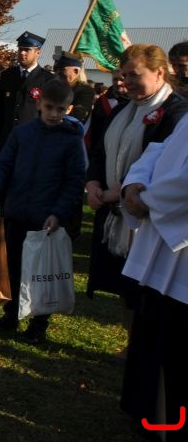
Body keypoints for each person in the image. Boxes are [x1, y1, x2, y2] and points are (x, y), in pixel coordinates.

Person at [85, 44, 186, 360]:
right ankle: (133, 343)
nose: (126, 82)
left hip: (146, 215)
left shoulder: (175, 111)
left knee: (143, 287)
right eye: (124, 75)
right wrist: (93, 183)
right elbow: (100, 149)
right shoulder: (122, 109)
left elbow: (160, 162)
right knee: (123, 283)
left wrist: (120, 191)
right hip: (113, 211)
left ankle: (143, 348)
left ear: (159, 72)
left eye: (134, 75)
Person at [0, 78, 87, 344]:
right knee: (14, 269)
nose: (53, 114)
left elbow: (74, 182)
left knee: (40, 274)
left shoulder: (72, 141)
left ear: (69, 110)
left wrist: (59, 213)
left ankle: (39, 324)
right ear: (39, 103)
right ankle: (11, 315)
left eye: (60, 109)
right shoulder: (22, 133)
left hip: (46, 218)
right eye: (49, 107)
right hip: (17, 211)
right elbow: (4, 163)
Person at [119, 112, 188, 437]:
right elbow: (160, 150)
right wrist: (134, 183)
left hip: (180, 253)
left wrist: (146, 200)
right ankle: (149, 416)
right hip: (159, 243)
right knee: (153, 339)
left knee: (176, 351)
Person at [0, 31, 54, 155]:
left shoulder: (47, 79)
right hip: (7, 141)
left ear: (38, 53)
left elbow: (48, 115)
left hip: (33, 142)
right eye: (20, 49)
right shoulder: (7, 75)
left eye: (27, 50)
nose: (22, 53)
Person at [54, 51, 95, 124]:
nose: (57, 73)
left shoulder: (85, 91)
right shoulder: (53, 86)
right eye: (56, 69)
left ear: (75, 71)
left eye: (61, 69)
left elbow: (76, 116)